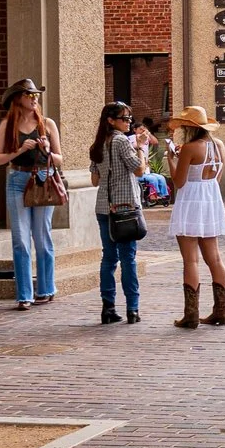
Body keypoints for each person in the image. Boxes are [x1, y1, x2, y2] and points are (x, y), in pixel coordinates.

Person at [0, 78, 62, 311]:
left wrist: (47, 150)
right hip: (17, 181)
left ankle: (46, 289)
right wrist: (20, 150)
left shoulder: (47, 124)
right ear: (18, 99)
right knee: (20, 240)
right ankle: (23, 294)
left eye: (36, 95)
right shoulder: (7, 124)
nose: (35, 98)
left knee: (42, 237)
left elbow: (60, 159)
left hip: (43, 179)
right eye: (30, 95)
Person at [166, 106, 225, 328]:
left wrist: (170, 159)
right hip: (210, 199)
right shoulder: (218, 146)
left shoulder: (189, 148)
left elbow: (179, 181)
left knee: (190, 259)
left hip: (190, 201)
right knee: (214, 258)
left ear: (189, 128)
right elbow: (218, 177)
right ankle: (221, 310)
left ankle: (191, 314)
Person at [89, 102, 145, 324]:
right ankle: (133, 308)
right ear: (110, 120)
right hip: (125, 209)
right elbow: (139, 169)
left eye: (130, 119)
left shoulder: (98, 143)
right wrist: (139, 147)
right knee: (128, 259)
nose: (128, 122)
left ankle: (108, 308)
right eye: (125, 119)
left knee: (109, 259)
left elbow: (95, 180)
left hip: (103, 208)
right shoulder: (122, 141)